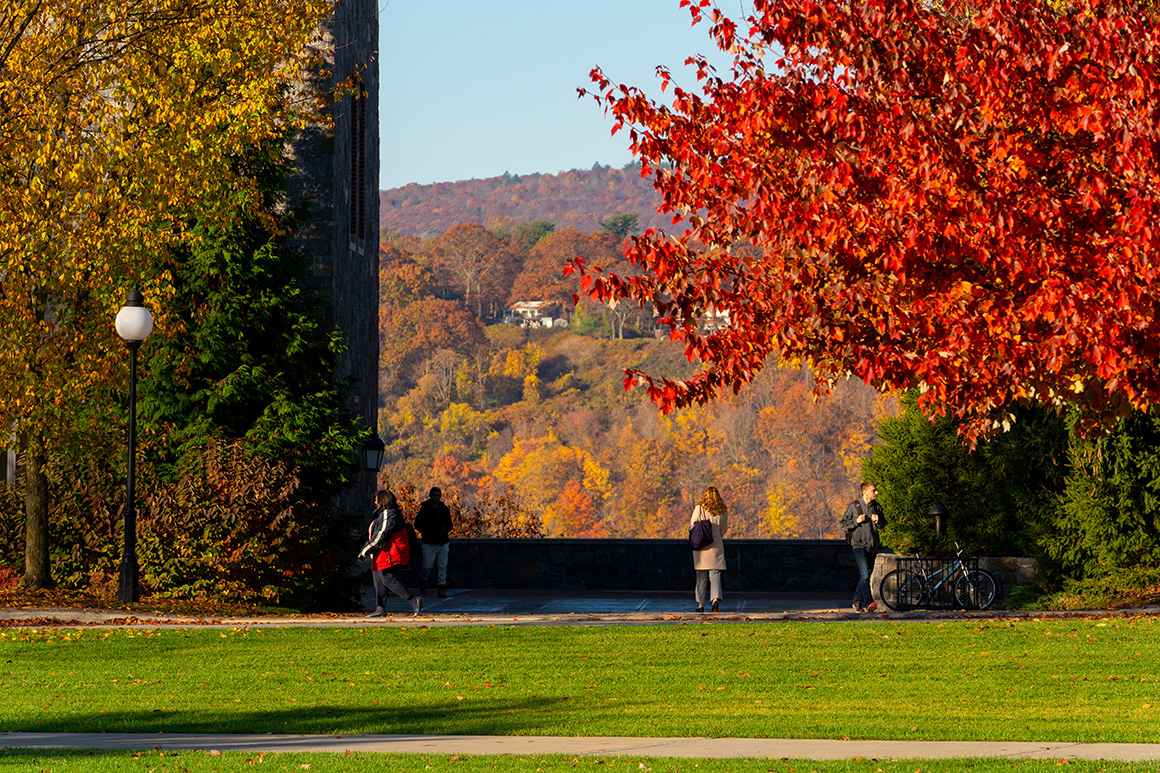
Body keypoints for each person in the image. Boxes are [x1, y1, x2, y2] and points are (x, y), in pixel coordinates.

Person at [359, 489, 422, 617]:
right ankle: (380, 608)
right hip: (381, 552)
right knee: (378, 579)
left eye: (377, 499)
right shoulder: (383, 514)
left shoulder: (390, 514)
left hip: (390, 552)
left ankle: (414, 601)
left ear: (383, 500)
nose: (375, 502)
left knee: (388, 578)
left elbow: (382, 534)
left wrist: (366, 549)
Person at [840, 481, 887, 613]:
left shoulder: (877, 507)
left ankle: (857, 601)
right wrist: (856, 521)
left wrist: (879, 521)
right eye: (874, 490)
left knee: (866, 575)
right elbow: (844, 523)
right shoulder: (854, 506)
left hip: (872, 545)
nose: (876, 492)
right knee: (865, 573)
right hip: (858, 545)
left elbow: (883, 525)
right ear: (865, 492)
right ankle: (868, 602)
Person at [690, 486, 729, 613]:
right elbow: (724, 529)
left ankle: (700, 604)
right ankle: (715, 599)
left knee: (701, 576)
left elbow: (692, 526)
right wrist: (716, 536)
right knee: (715, 574)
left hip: (701, 545)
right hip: (716, 544)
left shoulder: (699, 508)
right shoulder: (722, 510)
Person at [414, 486, 454, 597]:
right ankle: (423, 580)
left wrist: (444, 529)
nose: (436, 497)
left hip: (442, 541)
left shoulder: (444, 509)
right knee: (427, 565)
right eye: (434, 495)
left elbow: (450, 524)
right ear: (430, 495)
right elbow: (417, 524)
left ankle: (441, 588)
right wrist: (428, 530)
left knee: (442, 566)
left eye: (438, 495)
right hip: (429, 542)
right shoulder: (425, 509)